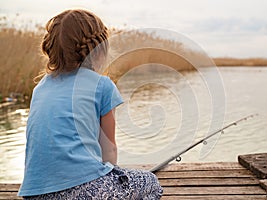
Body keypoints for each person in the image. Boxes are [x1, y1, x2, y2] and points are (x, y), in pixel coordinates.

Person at [18, 9, 163, 199]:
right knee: (151, 184)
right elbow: (109, 151)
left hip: (34, 194)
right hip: (86, 192)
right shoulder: (102, 85)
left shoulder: (40, 89)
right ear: (99, 49)